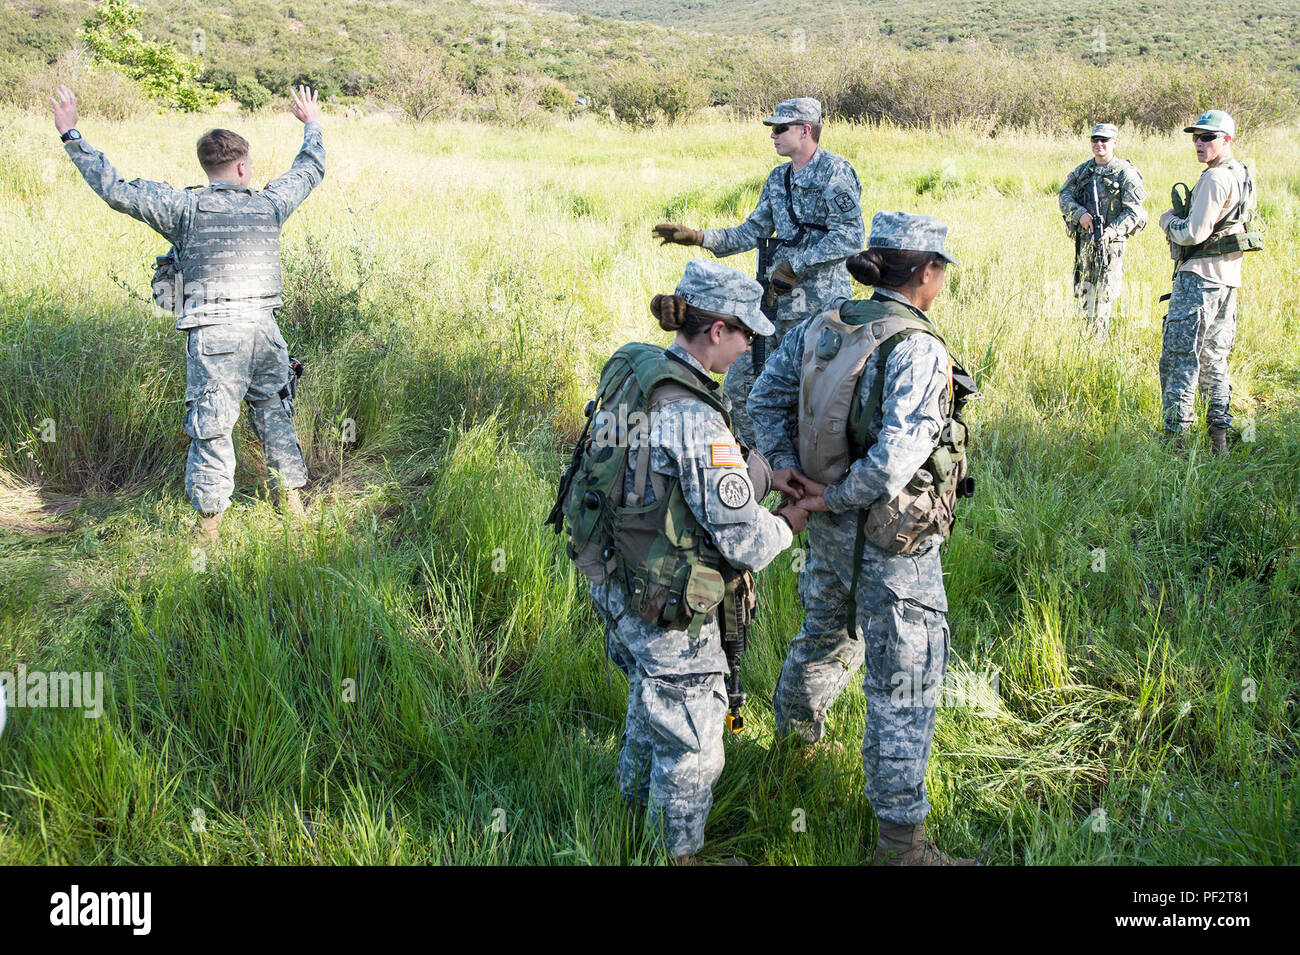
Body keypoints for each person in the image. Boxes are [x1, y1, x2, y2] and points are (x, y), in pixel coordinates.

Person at [549, 259, 805, 863]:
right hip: (662, 600)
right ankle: (678, 854)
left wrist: (761, 473)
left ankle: (633, 808)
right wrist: (790, 523)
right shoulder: (695, 416)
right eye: (745, 333)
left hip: (612, 576)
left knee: (650, 694)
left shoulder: (636, 365)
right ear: (716, 330)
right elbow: (744, 541)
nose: (749, 346)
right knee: (694, 742)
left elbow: (663, 472)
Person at [750, 212, 977, 865]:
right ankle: (901, 845)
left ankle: (793, 749)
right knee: (906, 675)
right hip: (894, 543)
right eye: (941, 268)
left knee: (827, 632)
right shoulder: (919, 347)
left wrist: (791, 471)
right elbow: (897, 457)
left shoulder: (825, 322)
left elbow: (765, 396)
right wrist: (838, 493)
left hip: (825, 529)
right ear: (927, 272)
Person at [51, 84, 326, 542]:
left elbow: (115, 189)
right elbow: (309, 169)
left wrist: (71, 134)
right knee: (275, 417)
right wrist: (311, 124)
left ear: (208, 166)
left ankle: (209, 531)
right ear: (241, 166)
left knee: (213, 430)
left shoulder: (185, 208)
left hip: (215, 338)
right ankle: (295, 513)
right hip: (264, 332)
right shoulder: (269, 204)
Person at [652, 97, 864, 446]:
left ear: (805, 130)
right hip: (771, 307)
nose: (773, 135)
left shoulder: (835, 173)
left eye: (780, 128)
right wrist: (698, 237)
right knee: (742, 388)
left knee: (811, 398)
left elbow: (851, 237)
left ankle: (800, 473)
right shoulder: (778, 178)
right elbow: (751, 232)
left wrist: (795, 263)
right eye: (772, 129)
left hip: (818, 312)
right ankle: (749, 467)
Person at [1158, 110, 1261, 453]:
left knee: (1180, 358)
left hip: (1199, 281)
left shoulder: (1217, 178)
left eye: (1208, 137)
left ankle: (1176, 442)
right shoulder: (1242, 174)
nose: (1199, 144)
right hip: (1228, 281)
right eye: (1196, 137)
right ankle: (1220, 441)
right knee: (1215, 360)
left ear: (1227, 139)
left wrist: (1168, 221)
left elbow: (1193, 232)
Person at [1057, 122, 1148, 338]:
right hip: (1084, 243)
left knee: (1103, 297)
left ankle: (1097, 344)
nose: (1099, 144)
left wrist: (1111, 232)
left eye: (1104, 140)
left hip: (1111, 246)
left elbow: (1134, 212)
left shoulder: (1125, 173)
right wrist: (1080, 215)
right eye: (1095, 139)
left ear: (1114, 142)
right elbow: (1064, 196)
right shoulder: (1083, 170)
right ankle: (1082, 339)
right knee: (1082, 292)